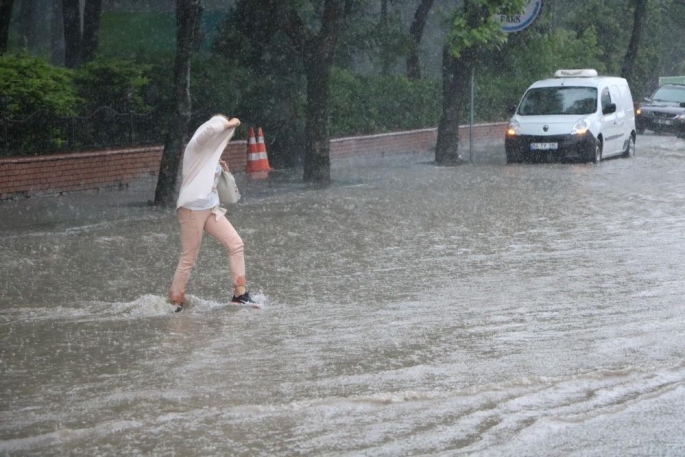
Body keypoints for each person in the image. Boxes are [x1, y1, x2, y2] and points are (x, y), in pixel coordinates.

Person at [168, 114, 257, 312]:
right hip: (191, 208)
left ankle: (240, 295)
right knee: (189, 258)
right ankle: (176, 300)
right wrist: (230, 122)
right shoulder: (197, 145)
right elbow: (210, 131)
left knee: (236, 244)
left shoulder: (212, 156)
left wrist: (221, 170)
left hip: (210, 209)